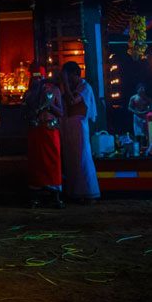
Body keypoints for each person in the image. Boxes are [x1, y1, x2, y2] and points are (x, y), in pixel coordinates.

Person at [22, 65, 64, 209]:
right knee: (36, 163)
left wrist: (50, 105)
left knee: (53, 162)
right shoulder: (29, 94)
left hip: (51, 130)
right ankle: (35, 196)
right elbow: (26, 113)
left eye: (39, 76)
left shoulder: (55, 90)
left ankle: (55, 196)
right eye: (35, 76)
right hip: (36, 130)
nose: (37, 79)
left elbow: (61, 112)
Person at [59, 61, 100, 203]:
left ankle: (88, 192)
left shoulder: (85, 87)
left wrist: (65, 85)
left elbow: (72, 101)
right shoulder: (70, 86)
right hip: (69, 125)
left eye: (70, 77)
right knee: (71, 160)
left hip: (79, 125)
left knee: (82, 158)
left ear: (76, 74)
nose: (69, 80)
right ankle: (75, 193)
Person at [128, 84, 152, 155]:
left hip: (144, 117)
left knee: (144, 134)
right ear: (137, 89)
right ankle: (137, 150)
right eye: (140, 89)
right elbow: (129, 107)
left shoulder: (147, 98)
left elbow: (151, 107)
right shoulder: (133, 98)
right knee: (137, 133)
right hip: (136, 117)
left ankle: (145, 150)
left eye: (143, 89)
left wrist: (146, 111)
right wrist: (136, 112)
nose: (142, 90)